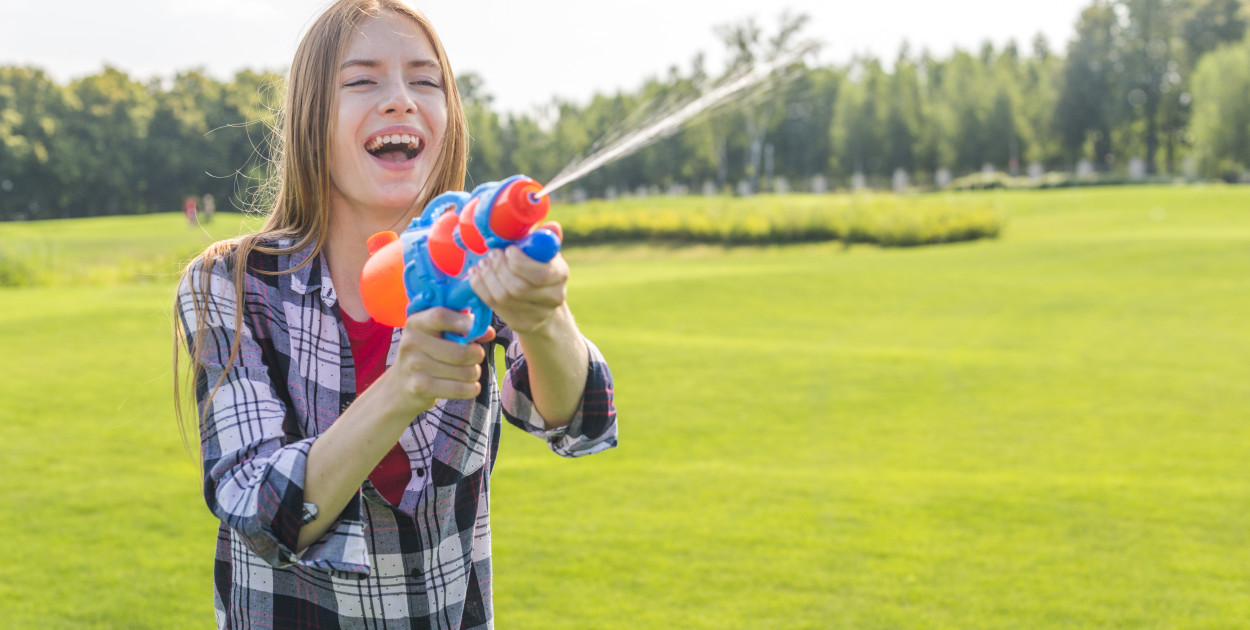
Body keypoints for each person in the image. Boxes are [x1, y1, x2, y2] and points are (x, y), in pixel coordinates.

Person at [173, 1, 618, 628]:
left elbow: (581, 425)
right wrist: (401, 388)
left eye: (425, 80)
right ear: (309, 119)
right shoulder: (232, 284)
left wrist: (546, 320)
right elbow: (258, 512)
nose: (401, 100)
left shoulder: (475, 261)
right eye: (362, 80)